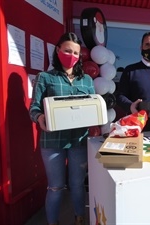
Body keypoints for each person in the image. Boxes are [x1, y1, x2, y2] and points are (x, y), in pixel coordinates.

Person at [29, 32, 95, 225]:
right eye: (67, 50)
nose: (72, 55)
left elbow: (92, 106)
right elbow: (34, 107)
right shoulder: (45, 77)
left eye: (76, 53)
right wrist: (39, 117)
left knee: (77, 185)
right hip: (52, 141)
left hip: (79, 140)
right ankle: (52, 222)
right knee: (56, 186)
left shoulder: (87, 81)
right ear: (58, 51)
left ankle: (79, 219)